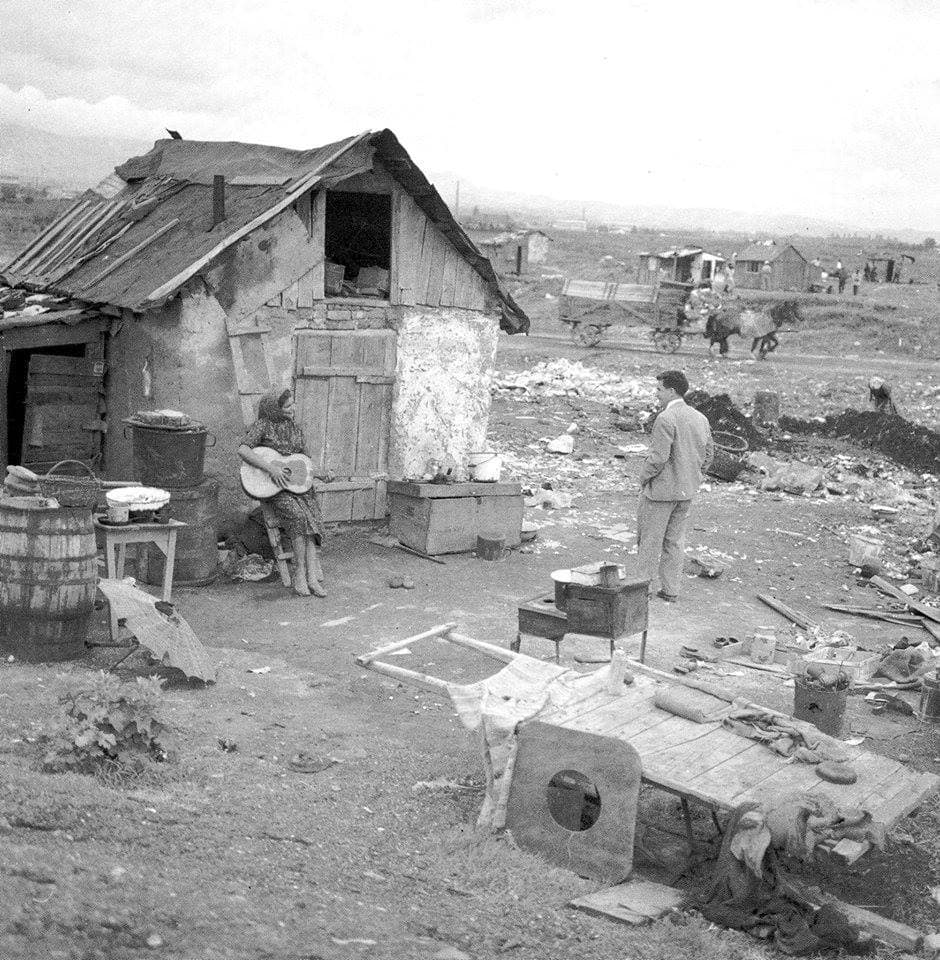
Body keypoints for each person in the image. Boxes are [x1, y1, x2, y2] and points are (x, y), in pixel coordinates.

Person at [238, 389, 327, 597]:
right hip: (276, 488)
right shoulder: (264, 425)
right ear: (275, 408)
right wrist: (272, 468)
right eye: (288, 406)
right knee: (298, 517)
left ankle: (312, 578)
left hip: (297, 485)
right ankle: (299, 574)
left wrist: (321, 475)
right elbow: (243, 450)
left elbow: (304, 463)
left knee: (312, 521)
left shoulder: (296, 429)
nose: (293, 409)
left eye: (293, 404)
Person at [636, 371, 714, 602]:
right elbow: (709, 454)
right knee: (674, 541)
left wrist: (643, 478)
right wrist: (694, 475)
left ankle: (644, 589)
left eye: (659, 390)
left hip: (661, 492)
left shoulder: (665, 418)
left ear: (671, 391)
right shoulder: (700, 418)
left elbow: (659, 457)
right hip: (686, 491)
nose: (656, 394)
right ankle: (671, 590)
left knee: (649, 542)